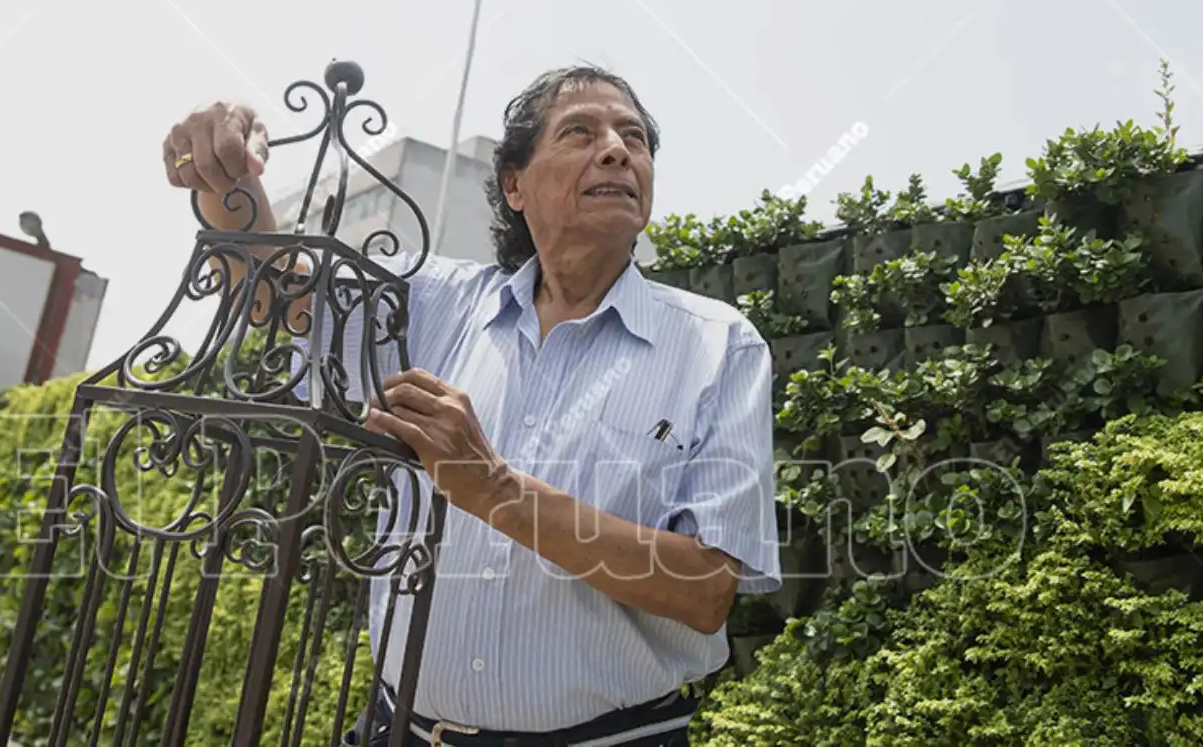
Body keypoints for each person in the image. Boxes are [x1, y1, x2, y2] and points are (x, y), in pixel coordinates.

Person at [163, 66, 780, 747]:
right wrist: (228, 182)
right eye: (581, 131)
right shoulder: (434, 302)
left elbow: (704, 589)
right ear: (514, 183)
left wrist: (495, 489)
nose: (616, 150)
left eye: (634, 137)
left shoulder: (718, 345)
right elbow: (277, 295)